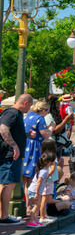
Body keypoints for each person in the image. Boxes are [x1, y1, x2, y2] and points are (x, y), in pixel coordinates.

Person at [0, 94, 34, 225]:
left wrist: (25, 135)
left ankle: (2, 214)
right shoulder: (13, 113)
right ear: (25, 103)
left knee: (5, 183)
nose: (28, 109)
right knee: (8, 183)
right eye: (29, 106)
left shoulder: (11, 112)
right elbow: (3, 128)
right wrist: (14, 145)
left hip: (9, 153)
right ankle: (4, 216)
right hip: (10, 154)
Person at [22, 102, 51, 206]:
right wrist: (51, 128)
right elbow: (45, 134)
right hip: (34, 148)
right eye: (47, 111)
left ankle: (27, 205)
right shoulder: (40, 118)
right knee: (31, 177)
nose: (47, 113)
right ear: (43, 110)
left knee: (24, 179)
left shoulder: (26, 116)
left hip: (24, 145)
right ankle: (30, 206)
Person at [26, 151, 56, 227]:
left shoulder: (42, 170)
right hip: (34, 191)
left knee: (38, 205)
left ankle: (35, 221)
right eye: (53, 162)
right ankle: (30, 221)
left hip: (36, 191)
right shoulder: (44, 171)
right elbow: (39, 182)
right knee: (36, 206)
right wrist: (36, 193)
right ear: (49, 162)